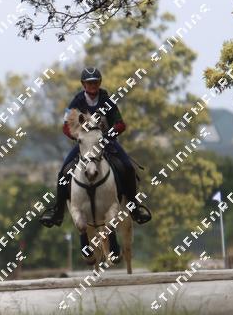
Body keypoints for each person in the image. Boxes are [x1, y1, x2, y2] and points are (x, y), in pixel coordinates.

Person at [40, 67, 152, 231]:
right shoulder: (77, 101)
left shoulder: (107, 100)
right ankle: (58, 211)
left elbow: (120, 124)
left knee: (128, 167)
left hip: (106, 141)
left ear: (99, 83)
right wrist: (77, 136)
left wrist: (107, 136)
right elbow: (65, 125)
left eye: (95, 82)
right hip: (85, 143)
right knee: (63, 172)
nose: (93, 86)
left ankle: (134, 207)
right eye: (89, 83)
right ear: (83, 84)